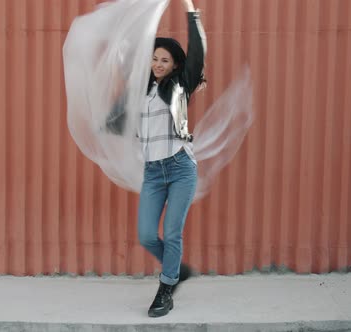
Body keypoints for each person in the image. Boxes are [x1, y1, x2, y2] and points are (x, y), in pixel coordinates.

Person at [138, 0, 206, 318]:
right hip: (153, 172)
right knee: (147, 235)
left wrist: (191, 12)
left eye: (164, 60)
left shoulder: (178, 87)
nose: (158, 63)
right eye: (154, 58)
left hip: (180, 168)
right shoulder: (142, 91)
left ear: (175, 65)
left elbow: (196, 54)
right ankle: (176, 267)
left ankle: (166, 288)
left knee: (173, 232)